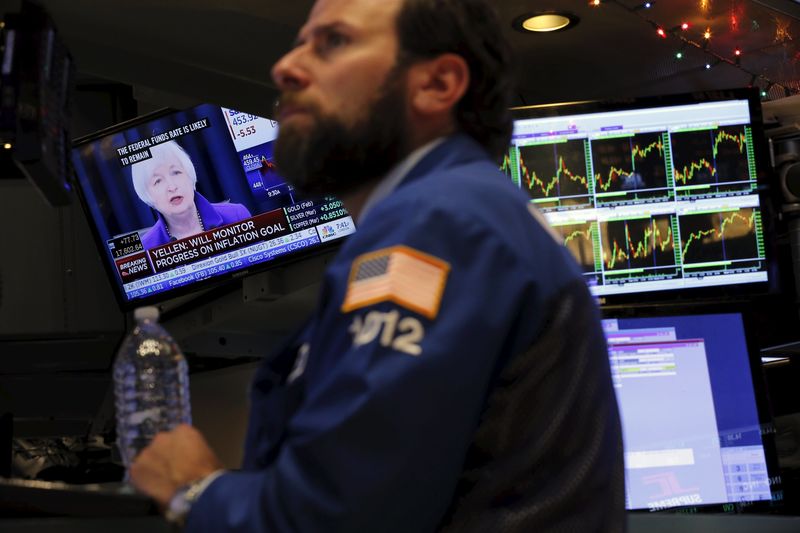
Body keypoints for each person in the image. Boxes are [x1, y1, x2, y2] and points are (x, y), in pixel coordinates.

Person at [130, 0, 626, 531]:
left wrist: (196, 490)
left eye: (333, 42)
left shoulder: (438, 226)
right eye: (300, 42)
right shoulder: (459, 215)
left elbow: (335, 519)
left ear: (437, 84)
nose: (285, 66)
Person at [131, 140, 252, 248]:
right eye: (157, 181)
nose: (172, 187)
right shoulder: (147, 248)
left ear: (190, 176)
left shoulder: (236, 216)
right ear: (147, 195)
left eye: (176, 172)